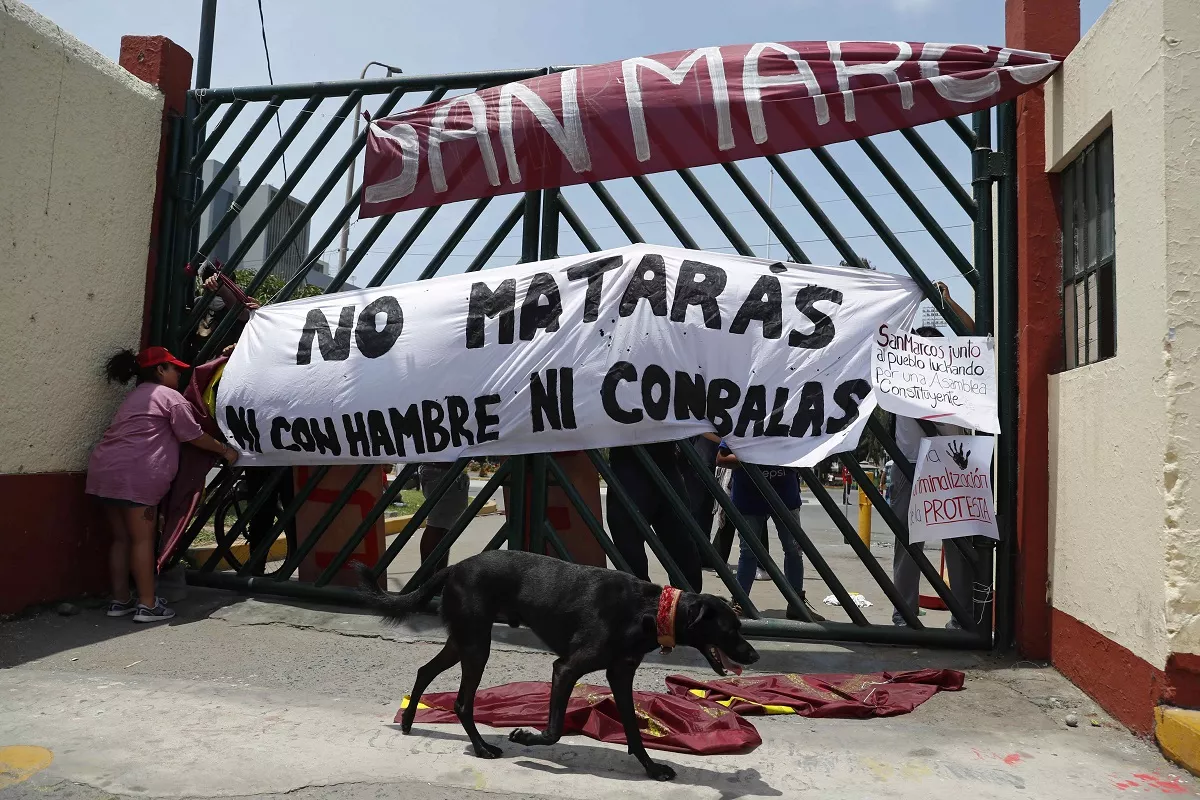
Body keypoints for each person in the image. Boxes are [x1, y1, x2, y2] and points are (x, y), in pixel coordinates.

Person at [87, 346, 239, 622]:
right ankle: (147, 605)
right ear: (160, 370)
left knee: (121, 539)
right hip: (136, 477)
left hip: (103, 472)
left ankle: (120, 600)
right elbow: (193, 435)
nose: (179, 374)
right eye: (174, 369)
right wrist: (225, 450)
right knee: (142, 541)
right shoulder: (170, 398)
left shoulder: (134, 397)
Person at [889, 282, 979, 629]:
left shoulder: (958, 375)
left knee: (958, 544)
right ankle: (905, 614)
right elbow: (881, 339)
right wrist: (913, 299)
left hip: (953, 462)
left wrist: (949, 302)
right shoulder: (898, 375)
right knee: (909, 543)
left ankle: (963, 616)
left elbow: (974, 337)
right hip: (911, 463)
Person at [717, 442, 824, 621]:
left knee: (794, 549)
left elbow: (807, 452)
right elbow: (721, 458)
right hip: (749, 495)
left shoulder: (790, 422)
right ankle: (740, 602)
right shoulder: (744, 421)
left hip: (784, 495)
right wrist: (756, 456)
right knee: (748, 552)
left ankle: (796, 603)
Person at [605, 442, 702, 591]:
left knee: (683, 548)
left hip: (664, 460)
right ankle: (640, 605)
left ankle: (685, 605)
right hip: (627, 460)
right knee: (630, 555)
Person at [418, 462, 470, 572]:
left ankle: (437, 575)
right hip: (442, 469)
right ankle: (430, 576)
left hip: (445, 470)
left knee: (443, 526)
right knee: (438, 526)